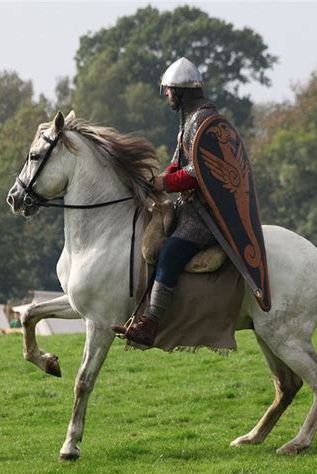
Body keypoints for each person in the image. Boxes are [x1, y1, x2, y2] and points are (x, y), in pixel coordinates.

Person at [111, 57, 219, 346]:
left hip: (206, 213)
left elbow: (199, 172)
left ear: (182, 91)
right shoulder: (188, 120)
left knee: (170, 252)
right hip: (190, 206)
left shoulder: (203, 121)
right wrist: (156, 179)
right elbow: (177, 163)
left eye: (170, 90)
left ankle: (151, 324)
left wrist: (166, 183)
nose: (167, 95)